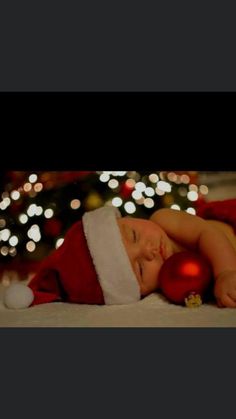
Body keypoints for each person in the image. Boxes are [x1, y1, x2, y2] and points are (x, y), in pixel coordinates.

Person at [4, 200, 236, 309]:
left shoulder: (164, 220)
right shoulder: (167, 286)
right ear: (140, 292)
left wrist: (226, 272)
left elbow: (208, 233)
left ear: (128, 219)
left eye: (134, 235)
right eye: (141, 269)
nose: (149, 250)